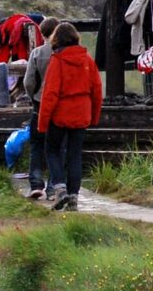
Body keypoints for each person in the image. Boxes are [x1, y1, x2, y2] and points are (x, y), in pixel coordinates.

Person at [37, 22, 103, 211]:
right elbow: (97, 90)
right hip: (81, 113)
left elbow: (49, 94)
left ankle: (59, 189)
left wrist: (42, 123)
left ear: (56, 39)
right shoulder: (87, 59)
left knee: (52, 150)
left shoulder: (57, 61)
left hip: (60, 114)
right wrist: (94, 116)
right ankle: (73, 197)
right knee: (75, 155)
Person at [21, 17, 63, 199]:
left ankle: (36, 184)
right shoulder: (63, 52)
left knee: (37, 144)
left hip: (40, 102)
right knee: (58, 146)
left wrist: (33, 96)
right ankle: (55, 186)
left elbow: (28, 81)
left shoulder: (37, 53)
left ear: (42, 33)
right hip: (61, 104)